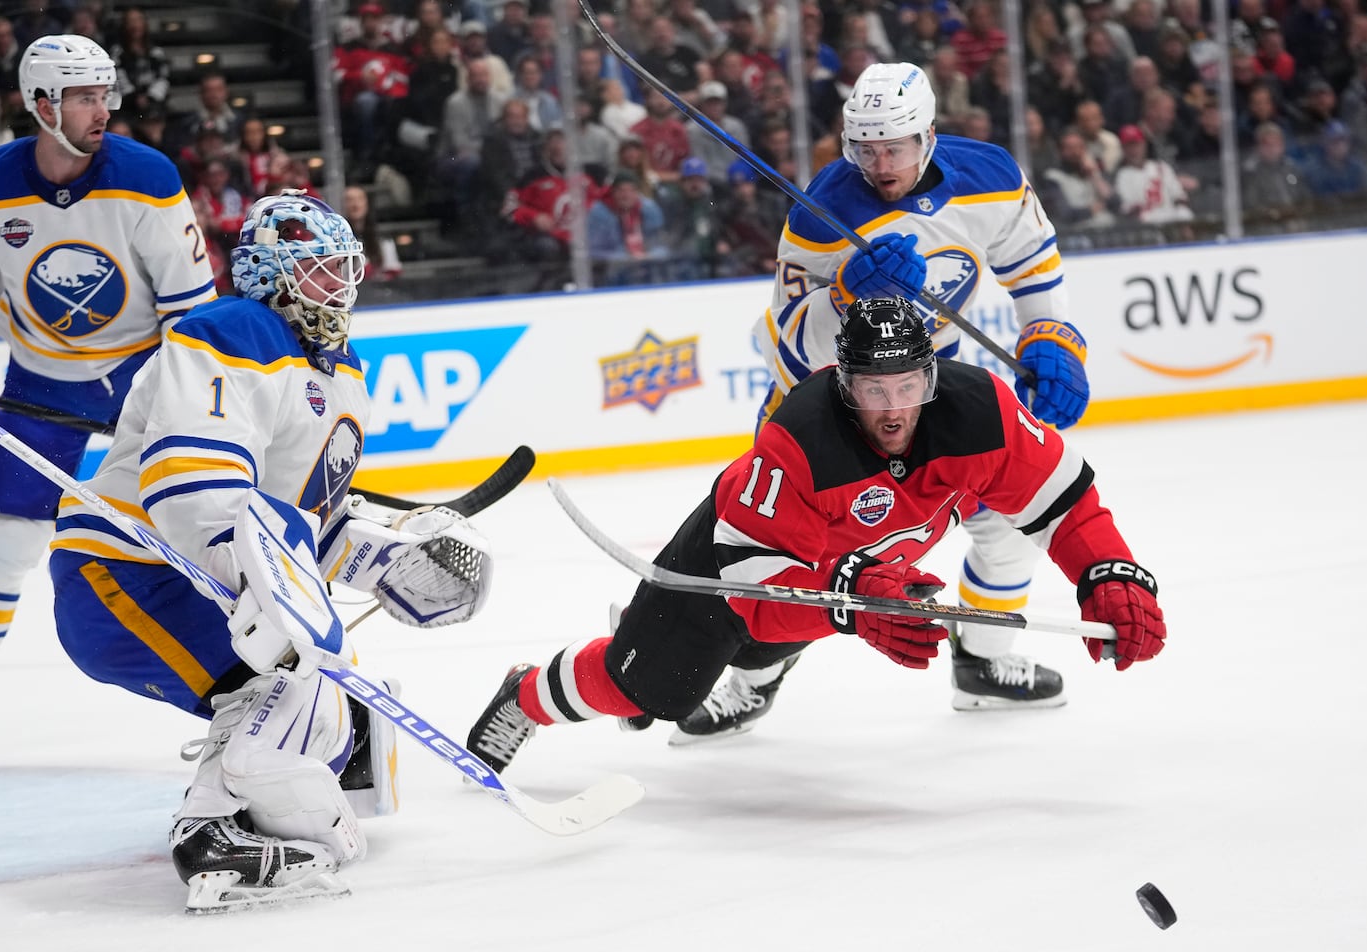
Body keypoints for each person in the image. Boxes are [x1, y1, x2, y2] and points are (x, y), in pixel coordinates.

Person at [464, 297, 1164, 772]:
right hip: (738, 569)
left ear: (931, 373)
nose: (894, 410)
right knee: (651, 686)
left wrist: (1108, 572)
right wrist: (850, 599)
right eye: (873, 391)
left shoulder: (981, 411)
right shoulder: (799, 439)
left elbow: (1066, 503)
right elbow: (759, 593)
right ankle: (526, 694)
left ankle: (763, 668)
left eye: (909, 387)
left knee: (809, 619)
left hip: (842, 576)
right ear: (843, 383)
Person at [47, 189, 493, 909]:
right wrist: (254, 579)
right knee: (296, 676)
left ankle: (258, 787)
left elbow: (301, 523)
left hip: (193, 575)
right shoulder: (235, 328)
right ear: (266, 271)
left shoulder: (341, 373)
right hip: (128, 571)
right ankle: (211, 829)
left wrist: (389, 564)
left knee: (331, 703)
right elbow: (192, 480)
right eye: (317, 268)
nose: (338, 284)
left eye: (340, 267)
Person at [692, 60, 1095, 743]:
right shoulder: (826, 210)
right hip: (829, 414)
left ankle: (983, 661)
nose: (879, 164)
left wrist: (1051, 335)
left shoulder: (990, 177)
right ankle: (752, 681)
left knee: (1008, 522)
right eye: (865, 148)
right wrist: (846, 294)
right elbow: (789, 343)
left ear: (928, 135)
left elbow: (1032, 259)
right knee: (799, 563)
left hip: (930, 393)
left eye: (895, 147)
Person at [0, 35, 218, 771]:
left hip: (142, 376)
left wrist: (175, 403)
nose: (103, 109)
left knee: (196, 525)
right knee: (2, 541)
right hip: (39, 379)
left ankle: (240, 686)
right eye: (85, 96)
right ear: (41, 103)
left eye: (105, 93)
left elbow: (191, 308)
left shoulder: (146, 177)